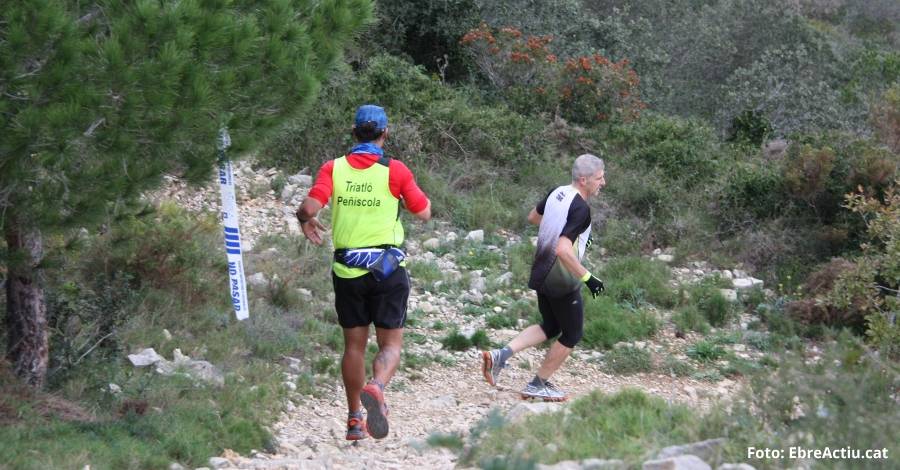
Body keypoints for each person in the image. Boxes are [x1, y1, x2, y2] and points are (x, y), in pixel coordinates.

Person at [296, 104, 431, 440]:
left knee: (353, 347)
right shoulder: (395, 170)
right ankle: (377, 385)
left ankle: (355, 418)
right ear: (385, 134)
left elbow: (309, 207)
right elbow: (424, 212)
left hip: (347, 272)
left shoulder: (334, 169)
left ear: (354, 133)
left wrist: (305, 220)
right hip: (387, 271)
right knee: (390, 345)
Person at [481, 154, 606, 401]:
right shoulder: (581, 208)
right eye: (599, 178)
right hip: (561, 278)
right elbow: (562, 249)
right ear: (584, 180)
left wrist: (575, 237)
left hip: (540, 270)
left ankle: (500, 356)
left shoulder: (557, 192)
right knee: (572, 334)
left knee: (551, 325)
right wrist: (589, 278)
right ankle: (538, 384)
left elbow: (534, 218)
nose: (603, 182)